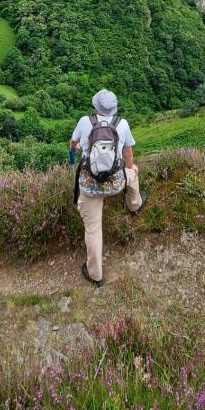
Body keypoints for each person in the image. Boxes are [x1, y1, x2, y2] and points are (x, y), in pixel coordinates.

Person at [70, 89, 147, 287]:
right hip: (115, 183)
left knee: (93, 229)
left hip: (89, 186)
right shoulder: (122, 124)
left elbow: (73, 143)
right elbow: (128, 154)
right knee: (133, 172)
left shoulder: (84, 121)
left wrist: (75, 154)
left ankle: (96, 275)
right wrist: (129, 170)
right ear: (114, 108)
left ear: (95, 106)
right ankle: (134, 205)